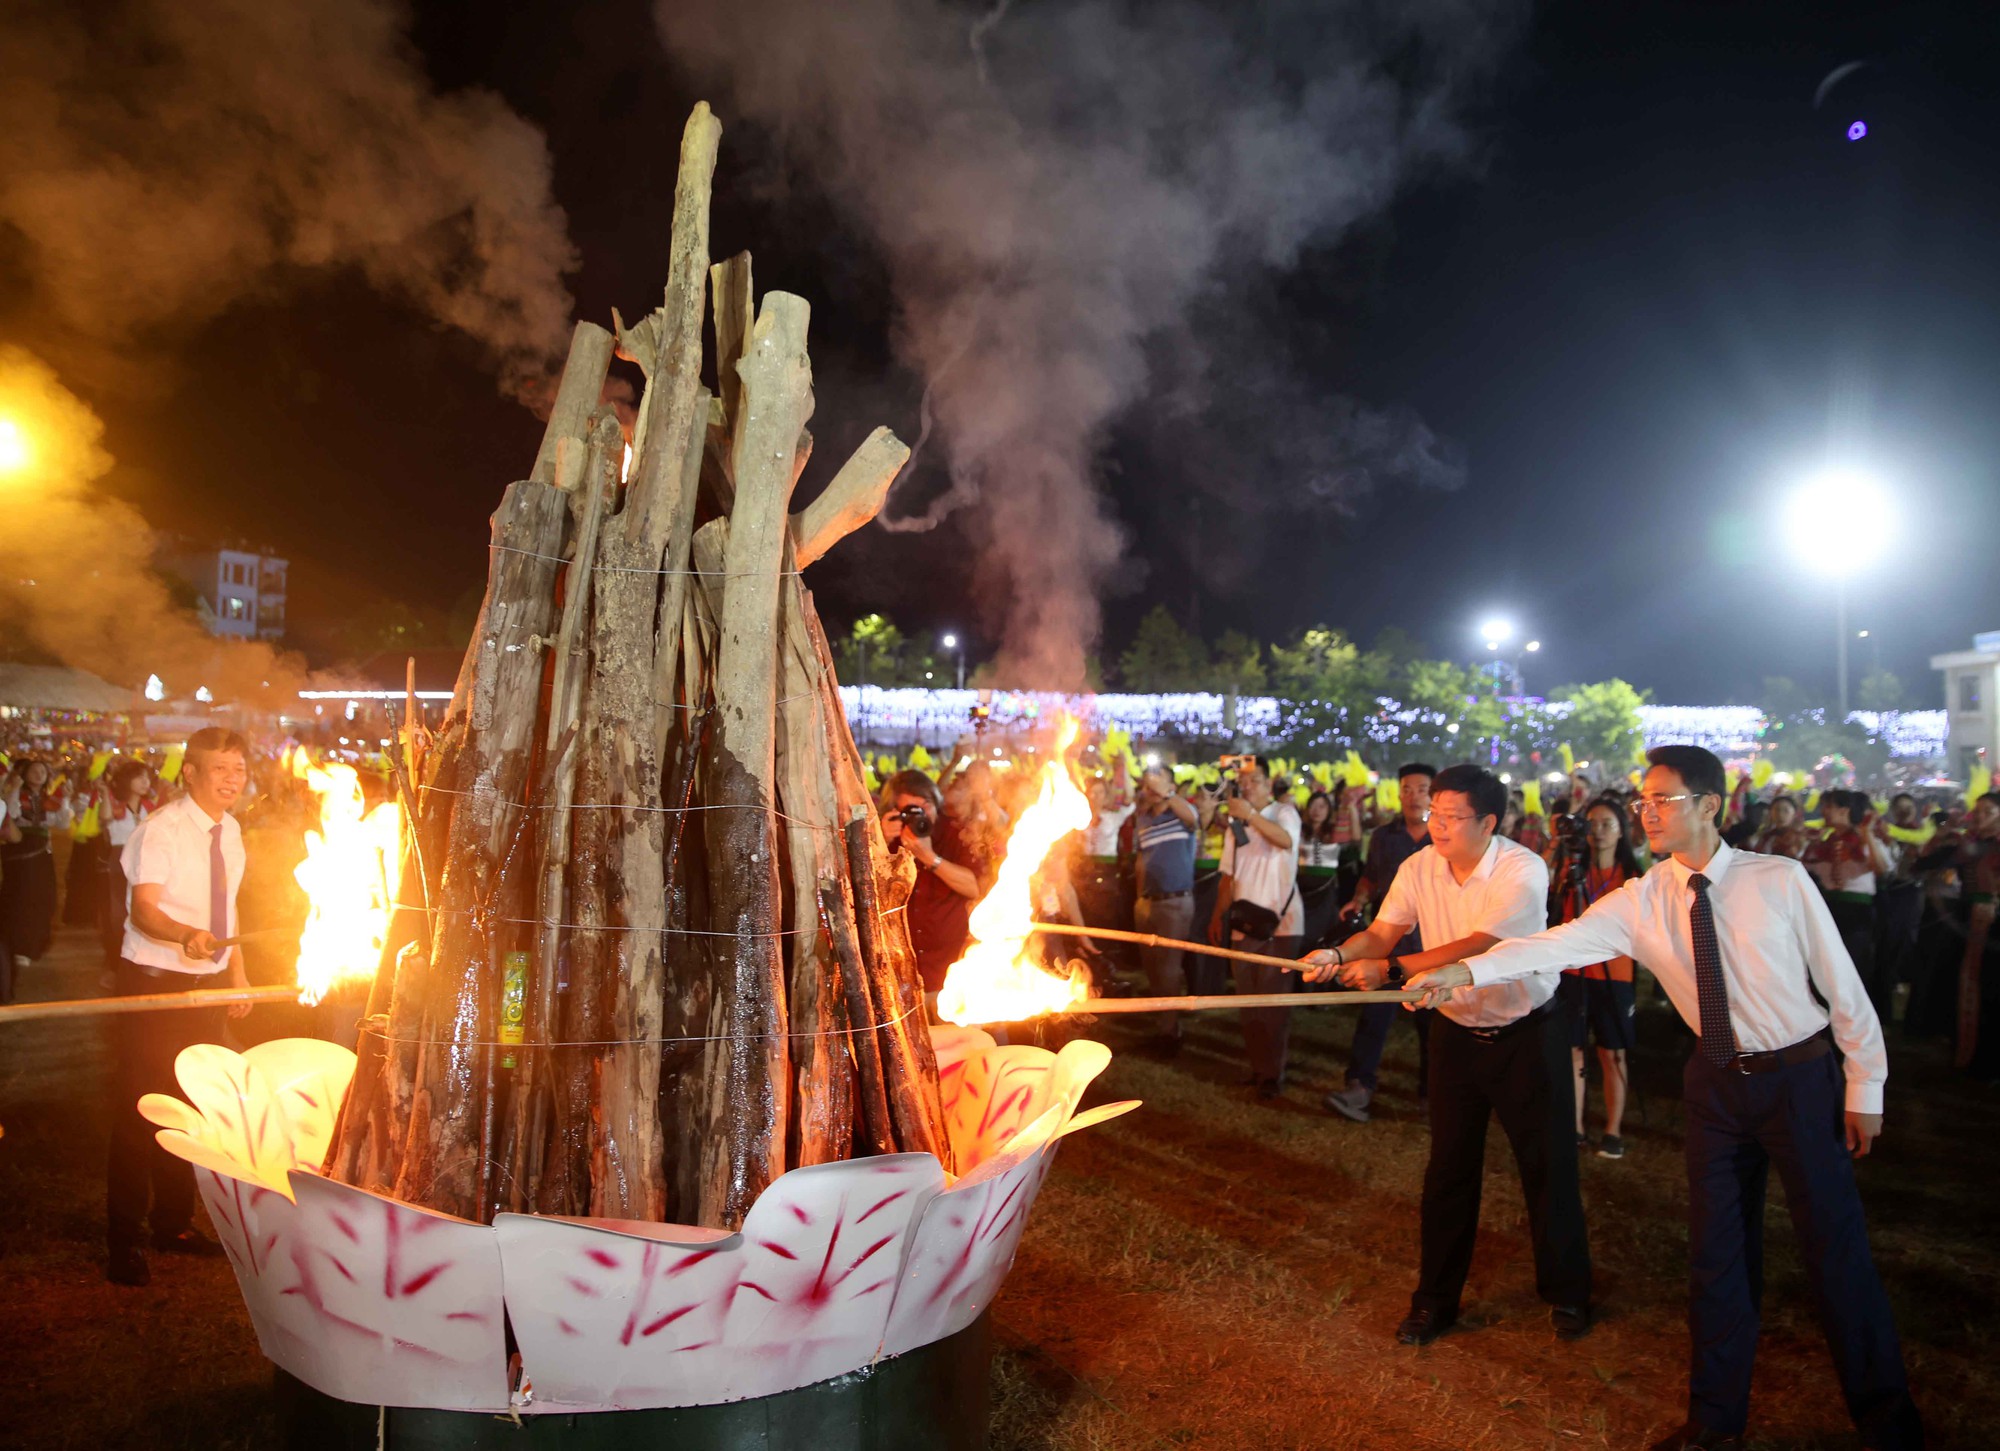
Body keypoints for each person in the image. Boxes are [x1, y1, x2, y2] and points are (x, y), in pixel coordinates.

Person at [1406, 746, 1921, 1451]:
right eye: (1642, 799)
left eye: (1662, 799)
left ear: (1709, 805)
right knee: (1716, 1257)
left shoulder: (1779, 879)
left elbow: (1844, 986)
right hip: (1713, 1087)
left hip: (1798, 1079)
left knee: (1835, 1250)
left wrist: (1866, 1083)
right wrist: (1459, 967)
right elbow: (1552, 944)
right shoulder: (1642, 899)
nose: (1645, 811)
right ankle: (1714, 1422)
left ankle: (1888, 1420)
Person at [1300, 763, 1590, 1345]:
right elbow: (1381, 934)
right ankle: (1435, 1302)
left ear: (1488, 822)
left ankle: (1568, 1292)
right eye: (1435, 812)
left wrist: (1393, 968)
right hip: (1456, 1033)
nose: (1438, 825)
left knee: (1547, 1166)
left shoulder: (1521, 869)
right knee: (1448, 1171)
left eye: (1453, 817)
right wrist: (1337, 954)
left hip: (1527, 1034)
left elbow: (1483, 945)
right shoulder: (1419, 865)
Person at [105, 729, 256, 1288]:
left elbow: (228, 906)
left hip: (207, 983)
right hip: (155, 981)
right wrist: (185, 935)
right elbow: (144, 911)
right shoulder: (160, 831)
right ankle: (125, 1239)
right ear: (190, 772)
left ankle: (174, 1222)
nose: (232, 779)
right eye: (220, 768)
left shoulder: (232, 830)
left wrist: (236, 975)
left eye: (238, 768)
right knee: (139, 1107)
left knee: (188, 1102)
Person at [1321, 762, 1435, 1122]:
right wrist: (1359, 900)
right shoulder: (1386, 836)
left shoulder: (1445, 839)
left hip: (1435, 945)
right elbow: (1371, 878)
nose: (1413, 797)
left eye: (1421, 789)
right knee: (1374, 1016)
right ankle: (1359, 1087)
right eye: (1406, 789)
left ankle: (1434, 1095)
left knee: (1434, 1024)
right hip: (1390, 943)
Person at [1207, 755, 1302, 1099]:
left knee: (1273, 1003)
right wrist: (1219, 915)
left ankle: (1273, 1074)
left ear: (1268, 783)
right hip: (1243, 923)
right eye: (1242, 781)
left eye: (1254, 780)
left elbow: (1285, 841)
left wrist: (1250, 815)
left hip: (1282, 923)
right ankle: (1259, 1068)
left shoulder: (1284, 812)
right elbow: (1227, 874)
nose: (1247, 786)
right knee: (1248, 1002)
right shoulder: (1236, 824)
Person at [1552, 796, 1641, 1158]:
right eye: (1592, 824)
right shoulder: (1571, 872)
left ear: (1621, 830)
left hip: (1615, 973)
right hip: (1575, 971)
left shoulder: (1633, 878)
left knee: (1611, 1052)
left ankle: (1613, 1128)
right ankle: (1574, 1127)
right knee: (1573, 1049)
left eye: (1607, 824)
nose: (1599, 832)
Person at [881, 768, 992, 1005]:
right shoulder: (883, 841)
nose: (921, 815)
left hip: (950, 974)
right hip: (900, 978)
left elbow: (974, 887)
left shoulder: (955, 833)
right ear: (894, 812)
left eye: (927, 805)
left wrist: (930, 858)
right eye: (911, 811)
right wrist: (880, 841)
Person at [1802, 789, 1895, 1020]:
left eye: (1829, 806)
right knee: (1825, 966)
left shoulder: (1864, 839)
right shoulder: (1824, 839)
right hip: (1828, 909)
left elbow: (1882, 868)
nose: (1823, 811)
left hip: (1857, 912)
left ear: (1845, 810)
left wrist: (1867, 834)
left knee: (1853, 966)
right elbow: (1804, 867)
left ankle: (1856, 1020)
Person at [1129, 764, 1200, 1051]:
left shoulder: (1181, 813)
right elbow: (1141, 860)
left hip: (1175, 901)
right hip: (1148, 902)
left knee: (1169, 968)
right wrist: (1139, 898)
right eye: (1149, 782)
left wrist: (1167, 793)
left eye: (1159, 781)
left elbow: (1193, 818)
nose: (1152, 786)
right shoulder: (1143, 819)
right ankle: (1165, 1023)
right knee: (1153, 968)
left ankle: (1170, 1032)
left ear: (1171, 784)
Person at [1, 756, 74, 969]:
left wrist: (66, 800)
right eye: (34, 771)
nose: (39, 775)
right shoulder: (15, 794)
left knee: (43, 897)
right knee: (19, 898)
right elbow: (12, 812)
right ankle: (19, 946)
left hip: (42, 851)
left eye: (43, 772)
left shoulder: (48, 799)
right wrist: (14, 789)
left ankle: (35, 943)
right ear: (24, 775)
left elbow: (61, 823)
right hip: (19, 850)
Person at [95, 758, 155, 969]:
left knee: (144, 908)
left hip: (147, 859)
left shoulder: (150, 806)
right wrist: (104, 795)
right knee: (119, 911)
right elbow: (104, 818)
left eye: (147, 777)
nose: (145, 782)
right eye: (139, 777)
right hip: (120, 859)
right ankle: (115, 962)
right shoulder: (114, 805)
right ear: (125, 780)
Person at [1297, 790, 1345, 952]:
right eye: (1314, 806)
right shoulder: (1299, 830)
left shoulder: (1334, 832)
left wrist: (1351, 806)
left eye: (1322, 806)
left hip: (1325, 892)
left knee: (1322, 932)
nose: (1317, 810)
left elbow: (1357, 836)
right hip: (1303, 890)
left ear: (1329, 810)